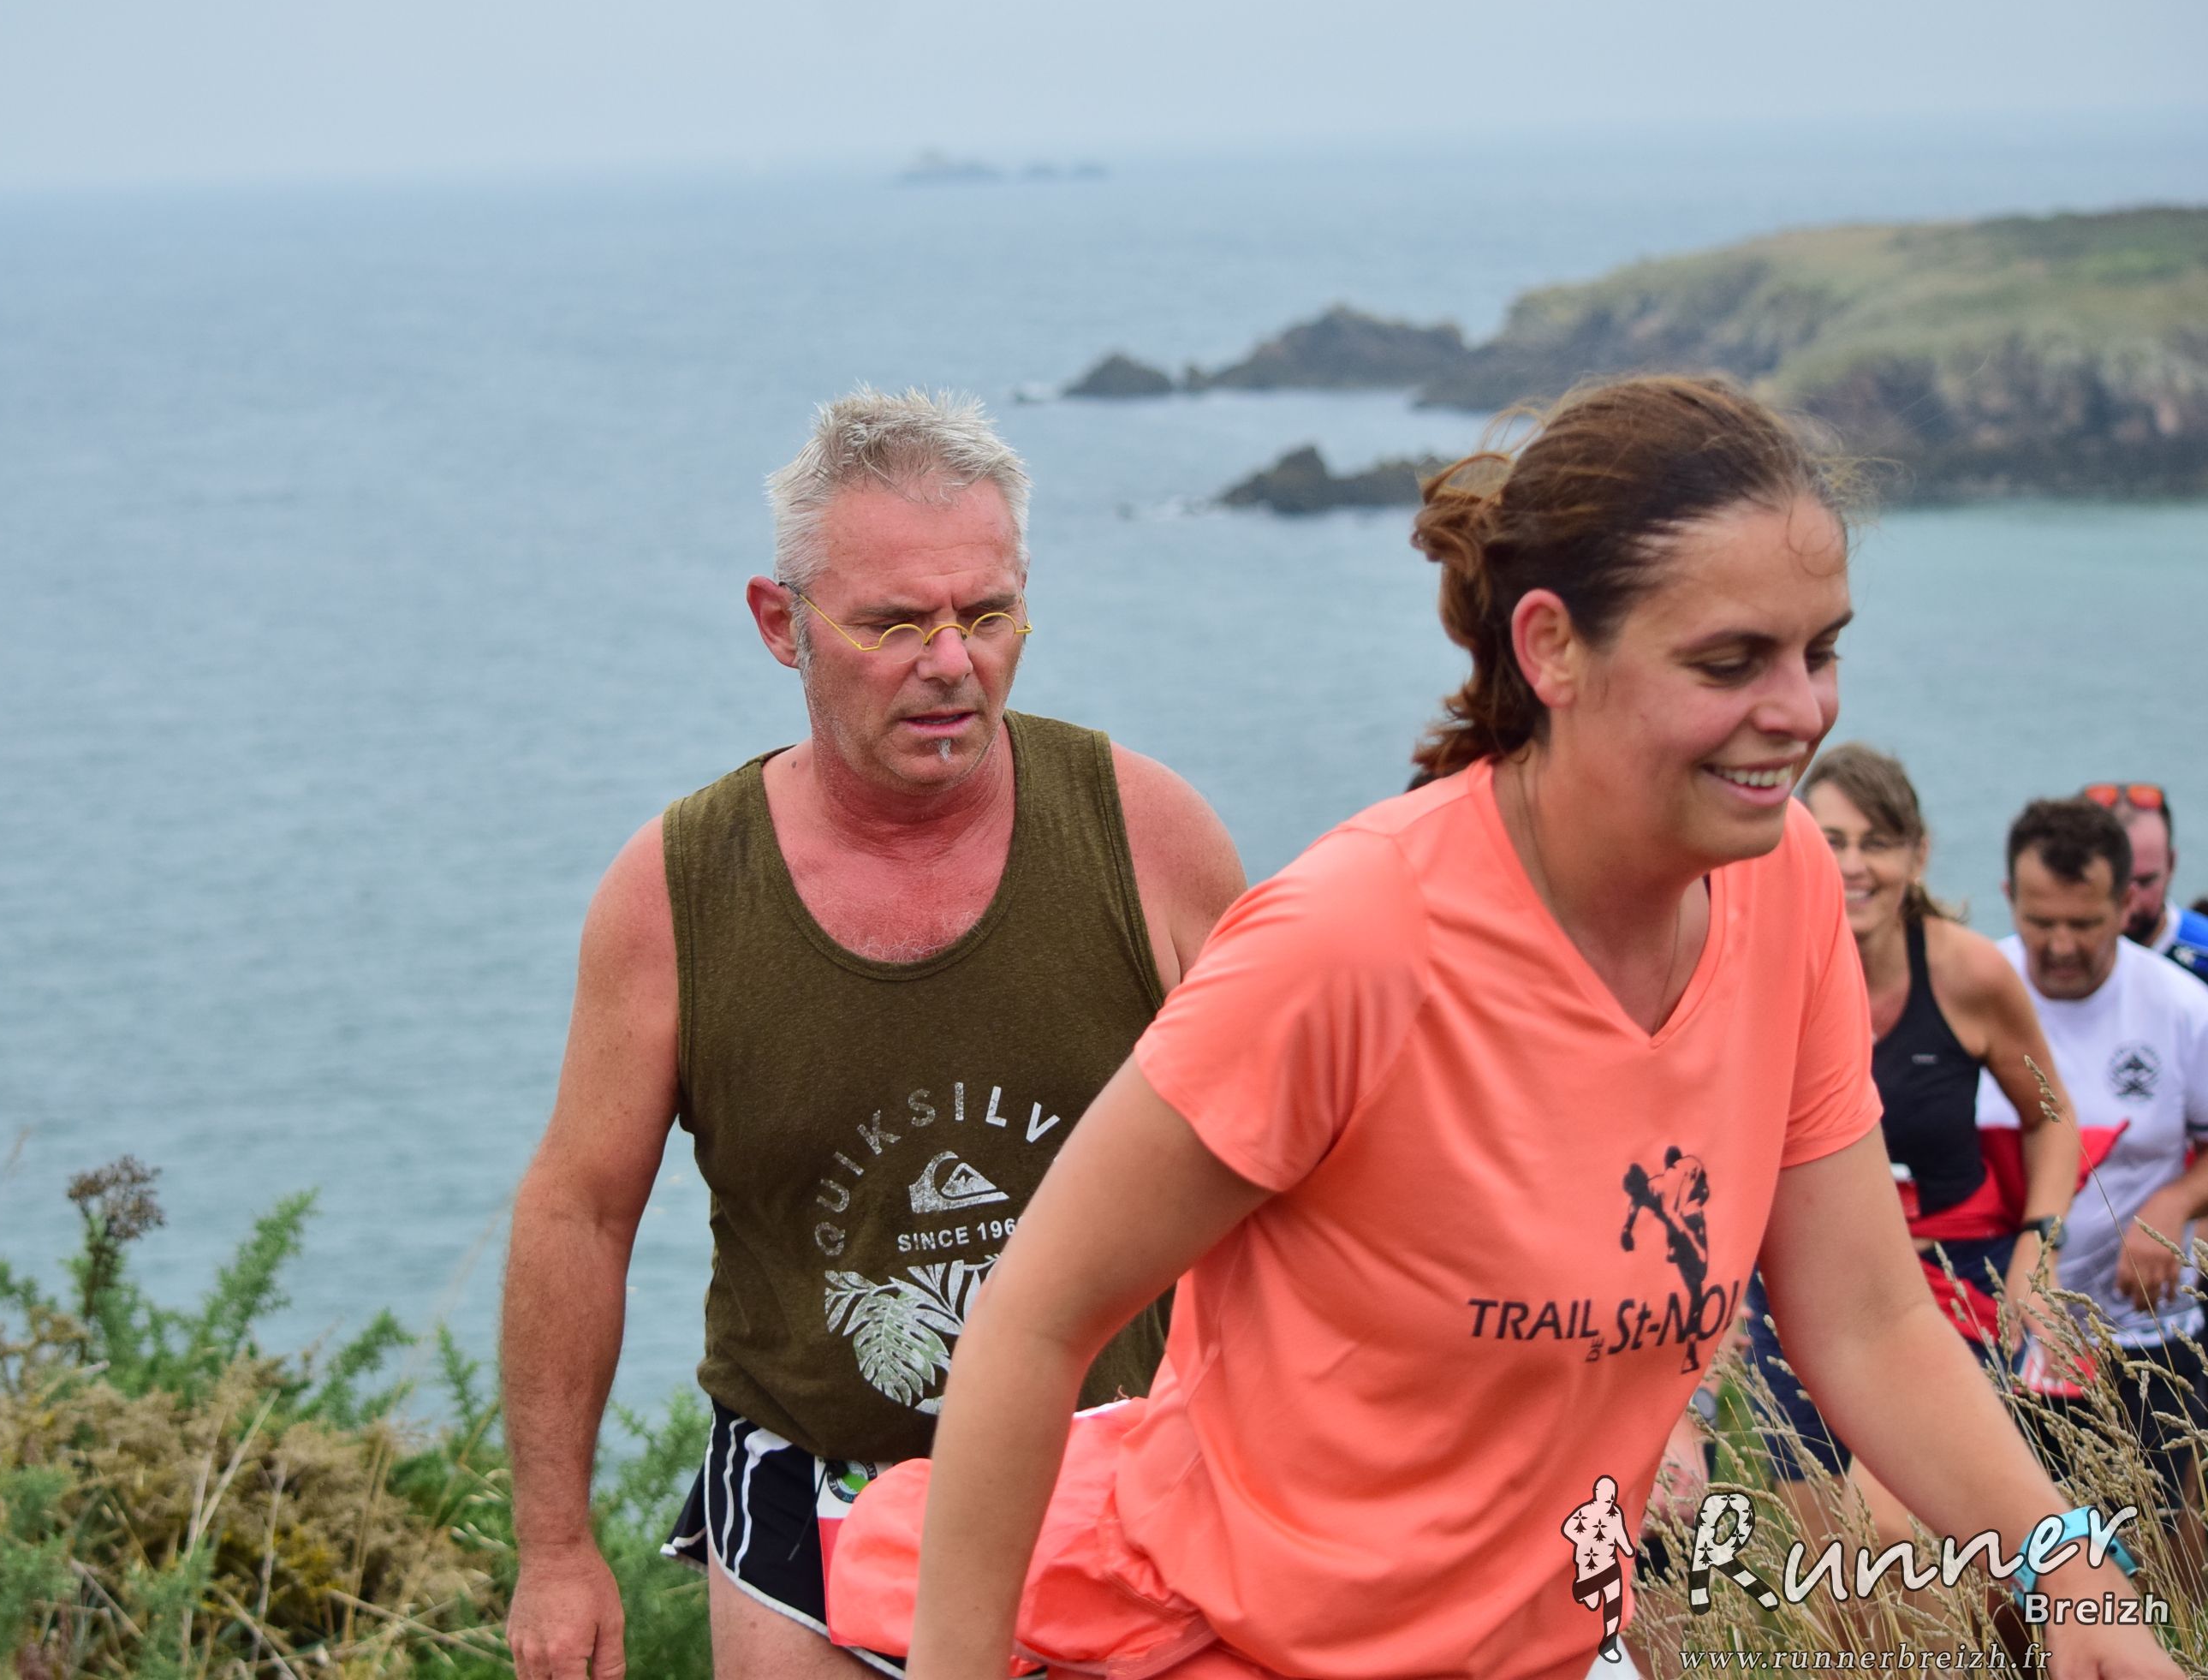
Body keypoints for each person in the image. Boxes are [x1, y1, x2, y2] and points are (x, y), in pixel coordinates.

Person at [846, 375, 2175, 1679]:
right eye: (1730, 662)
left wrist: (2073, 1574)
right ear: (1551, 649)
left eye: (1820, 651)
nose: (1802, 713)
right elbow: (1033, 1319)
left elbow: (1870, 1324)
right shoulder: (1353, 938)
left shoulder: (1791, 895)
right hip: (1229, 1638)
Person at [499, 387, 1245, 1680]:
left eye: (986, 614)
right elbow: (579, 1211)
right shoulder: (676, 894)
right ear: (778, 623)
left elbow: (1301, 1156)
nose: (951, 661)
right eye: (893, 623)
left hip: (1122, 1477)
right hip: (812, 1498)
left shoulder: (1148, 835)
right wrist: (556, 1547)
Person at [1741, 745, 2082, 1515]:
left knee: (1898, 1534)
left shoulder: (1966, 973)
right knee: (1819, 1547)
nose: (1853, 866)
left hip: (1949, 1290)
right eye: (1830, 841)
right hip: (1803, 1288)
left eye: (1878, 842)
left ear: (1918, 855)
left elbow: (2051, 1117)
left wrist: (2040, 1246)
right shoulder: (1757, 966)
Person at [1979, 798, 2208, 1515]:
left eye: (2083, 923)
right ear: (2008, 896)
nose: (2060, 945)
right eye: (2039, 921)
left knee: (2142, 1547)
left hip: (2142, 1333)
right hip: (1995, 1327)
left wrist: (2174, 1202)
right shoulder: (1973, 993)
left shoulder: (2182, 1007)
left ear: (2127, 903)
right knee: (2000, 1552)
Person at [2086, 783, 2208, 990]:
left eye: (2144, 881)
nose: (2130, 902)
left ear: (2171, 864)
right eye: (2115, 883)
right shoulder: (2035, 962)